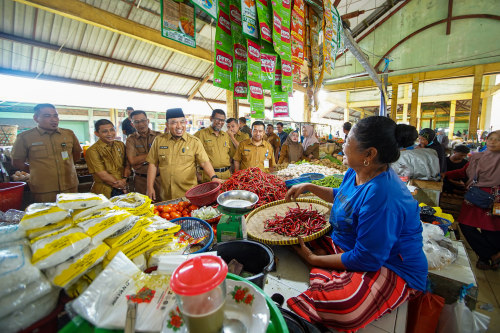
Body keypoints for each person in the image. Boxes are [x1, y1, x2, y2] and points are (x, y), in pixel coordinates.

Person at [285, 116, 427, 332]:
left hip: (390, 264)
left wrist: (314, 259)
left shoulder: (383, 194)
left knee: (344, 306)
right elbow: (342, 196)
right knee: (296, 235)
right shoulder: (356, 170)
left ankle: (327, 270)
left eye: (348, 140)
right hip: (354, 245)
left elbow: (368, 258)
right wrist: (309, 186)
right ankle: (331, 269)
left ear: (369, 154)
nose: (343, 143)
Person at [445, 131, 500, 270]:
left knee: (491, 229)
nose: (492, 142)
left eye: (497, 140)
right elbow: (464, 172)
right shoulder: (478, 157)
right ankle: (492, 255)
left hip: (495, 198)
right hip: (474, 196)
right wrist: (445, 175)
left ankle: (484, 258)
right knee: (465, 225)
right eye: (490, 139)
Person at [146, 108, 222, 201]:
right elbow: (153, 164)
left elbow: (204, 162)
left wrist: (213, 177)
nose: (179, 126)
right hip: (166, 194)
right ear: (167, 125)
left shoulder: (194, 142)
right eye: (174, 123)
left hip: (189, 194)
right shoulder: (159, 141)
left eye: (182, 122)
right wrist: (150, 187)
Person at [11, 103, 82, 203]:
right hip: (44, 189)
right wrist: (37, 171)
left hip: (70, 186)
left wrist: (66, 165)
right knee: (48, 216)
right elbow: (17, 162)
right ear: (36, 118)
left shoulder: (68, 134)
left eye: (55, 115)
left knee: (73, 214)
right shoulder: (25, 137)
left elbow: (76, 154)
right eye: (47, 116)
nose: (54, 119)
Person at [85, 119, 130, 198]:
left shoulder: (120, 145)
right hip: (104, 190)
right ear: (97, 134)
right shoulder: (92, 150)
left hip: (124, 186)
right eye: (105, 131)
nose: (110, 134)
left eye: (112, 130)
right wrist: (121, 185)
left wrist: (125, 179)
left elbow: (127, 163)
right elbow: (102, 174)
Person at [125, 110, 162, 200]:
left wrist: (140, 160)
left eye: (143, 120)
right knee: (144, 205)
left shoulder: (159, 136)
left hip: (160, 179)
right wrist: (154, 153)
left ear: (148, 121)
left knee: (163, 205)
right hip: (141, 180)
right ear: (132, 124)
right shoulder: (131, 139)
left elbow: (165, 156)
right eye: (136, 122)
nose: (141, 124)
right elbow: (133, 161)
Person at [194, 109, 232, 181]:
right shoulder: (200, 134)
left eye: (223, 120)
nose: (220, 122)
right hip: (207, 176)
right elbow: (192, 157)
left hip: (226, 176)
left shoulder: (226, 136)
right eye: (217, 119)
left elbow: (230, 155)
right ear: (211, 118)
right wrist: (196, 174)